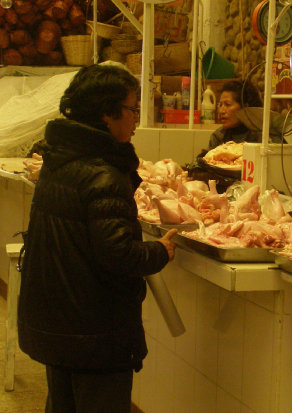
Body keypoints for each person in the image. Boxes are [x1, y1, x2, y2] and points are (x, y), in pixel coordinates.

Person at [18, 64, 178, 413]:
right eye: (133, 109)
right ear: (107, 113)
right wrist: (160, 251)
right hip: (95, 332)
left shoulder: (59, 160)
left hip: (59, 323)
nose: (137, 118)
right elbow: (118, 253)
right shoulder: (104, 175)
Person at [207, 79, 263, 150]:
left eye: (227, 104)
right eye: (220, 105)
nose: (221, 111)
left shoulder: (260, 138)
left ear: (244, 108)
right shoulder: (218, 137)